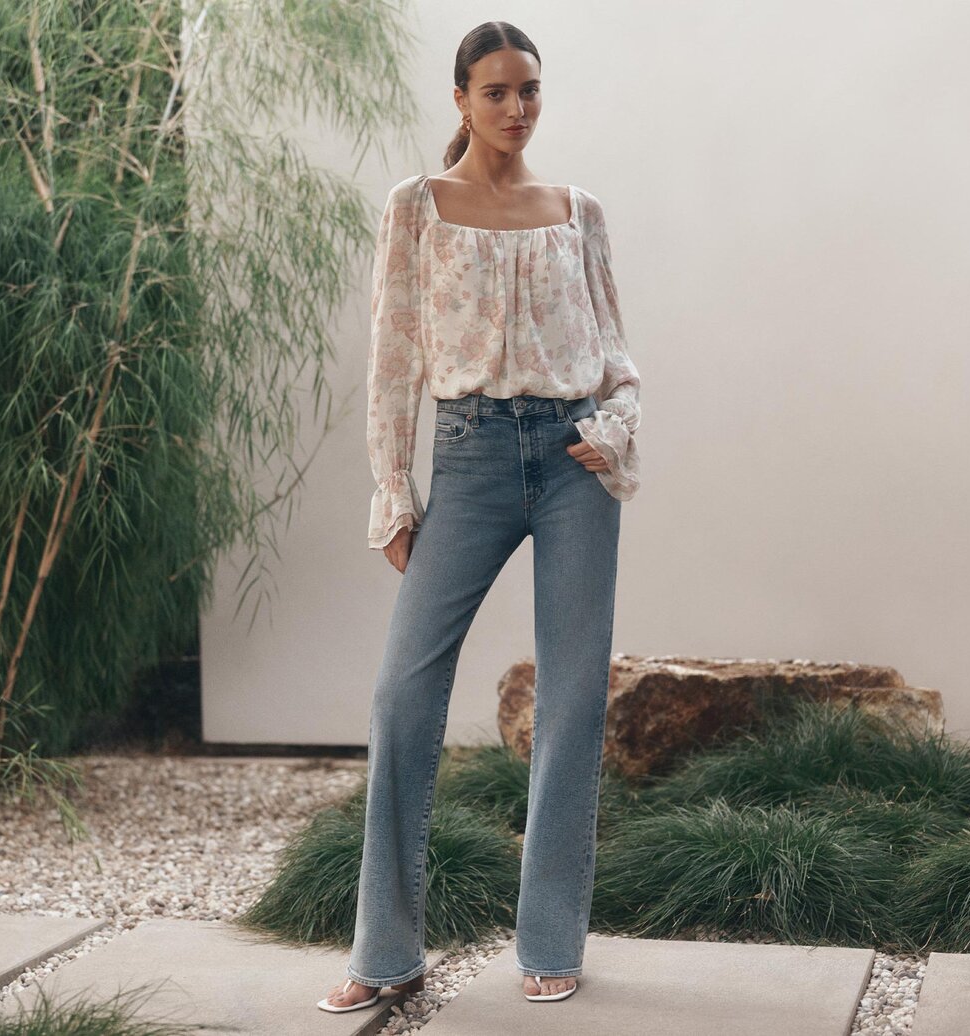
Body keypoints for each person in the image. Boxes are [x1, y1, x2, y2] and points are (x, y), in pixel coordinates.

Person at [316, 20, 640, 1014]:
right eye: (494, 91)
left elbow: (616, 353)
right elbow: (394, 358)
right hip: (466, 458)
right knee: (401, 695)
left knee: (572, 698)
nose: (514, 109)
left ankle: (548, 940)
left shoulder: (574, 208)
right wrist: (391, 490)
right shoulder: (416, 208)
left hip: (571, 460)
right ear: (459, 98)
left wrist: (613, 427)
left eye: (527, 90)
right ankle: (387, 950)